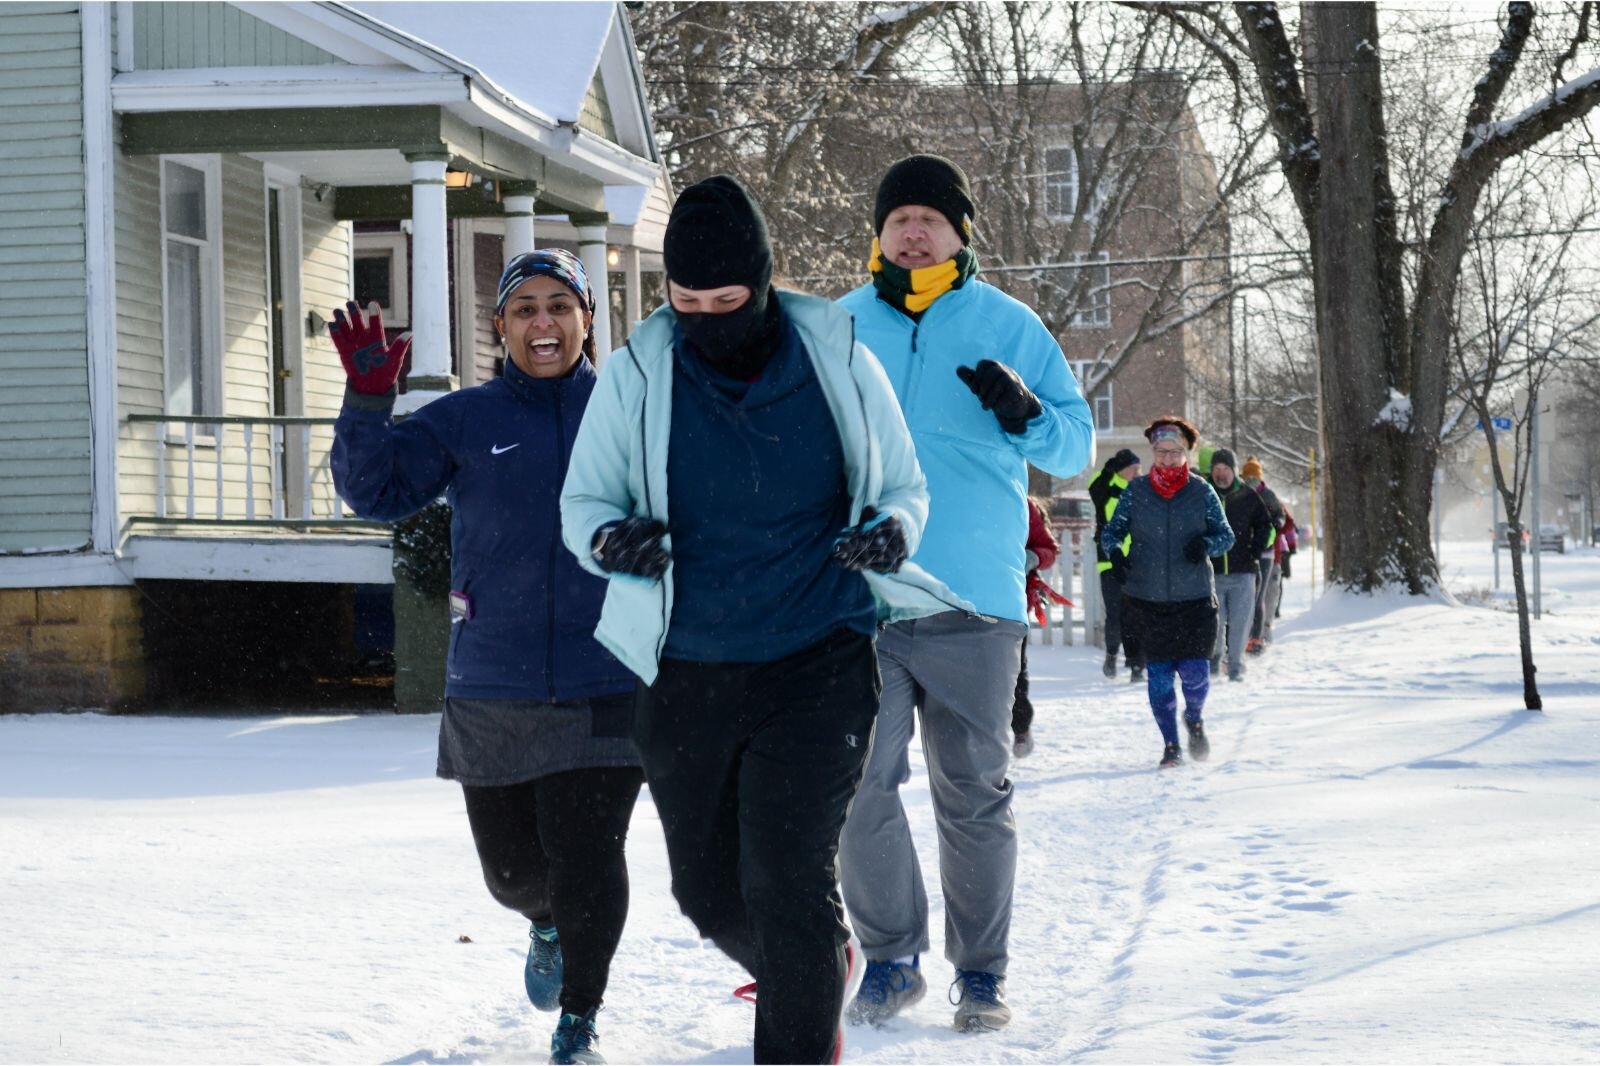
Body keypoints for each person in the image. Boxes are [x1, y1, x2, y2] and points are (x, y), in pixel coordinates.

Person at [559, 175, 963, 1065]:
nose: (705, 318)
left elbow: (903, 485)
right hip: (686, 666)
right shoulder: (637, 372)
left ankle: (804, 986)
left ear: (766, 283)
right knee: (707, 892)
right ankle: (822, 957)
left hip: (815, 660)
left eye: (728, 300)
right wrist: (608, 539)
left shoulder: (836, 358)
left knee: (788, 883)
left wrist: (892, 534)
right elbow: (584, 500)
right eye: (686, 300)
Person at [329, 250, 641, 1066]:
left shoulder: (633, 411)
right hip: (493, 679)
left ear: (586, 319)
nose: (544, 323)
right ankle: (544, 923)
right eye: (526, 309)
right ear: (499, 326)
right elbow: (377, 493)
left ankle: (580, 1018)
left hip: (608, 675)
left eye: (559, 306)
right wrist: (368, 403)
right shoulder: (465, 419)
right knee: (512, 874)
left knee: (588, 857)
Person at [835, 153, 1096, 1033]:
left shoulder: (1010, 325)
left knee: (972, 790)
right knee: (854, 785)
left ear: (959, 233)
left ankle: (981, 974)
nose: (914, 230)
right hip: (859, 596)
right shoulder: (835, 326)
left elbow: (1073, 448)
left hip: (974, 598)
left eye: (931, 219)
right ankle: (892, 956)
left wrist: (1025, 412)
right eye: (900, 217)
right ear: (879, 232)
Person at [1101, 417, 1234, 767]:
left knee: (1195, 675)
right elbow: (1111, 533)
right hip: (1147, 599)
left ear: (1186, 452)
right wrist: (1115, 553)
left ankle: (1194, 717)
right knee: (1159, 681)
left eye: (1175, 453)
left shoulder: (1202, 491)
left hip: (1194, 599)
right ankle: (1170, 744)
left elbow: (1226, 536)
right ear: (1152, 452)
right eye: (1161, 452)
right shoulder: (1136, 491)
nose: (1167, 459)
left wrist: (1205, 544)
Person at [1206, 448, 1272, 682]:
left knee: (1240, 622)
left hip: (1243, 572)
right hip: (1211, 572)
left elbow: (1266, 526)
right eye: (1217, 469)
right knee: (1214, 620)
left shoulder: (1248, 496)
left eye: (1225, 469)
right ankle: (1214, 659)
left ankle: (1235, 664)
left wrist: (1255, 550)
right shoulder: (1205, 494)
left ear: (1234, 471)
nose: (1221, 474)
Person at [1011, 496, 1061, 758]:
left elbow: (1049, 549)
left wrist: (1030, 557)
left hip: (1010, 603)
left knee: (1013, 670)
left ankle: (1020, 727)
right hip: (959, 601)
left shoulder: (1022, 503)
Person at [1089, 448, 1144, 681]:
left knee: (1137, 613)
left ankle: (1136, 664)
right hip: (1110, 561)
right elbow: (1094, 487)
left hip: (1137, 560)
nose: (1137, 472)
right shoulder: (1106, 489)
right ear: (1121, 470)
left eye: (1138, 468)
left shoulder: (1141, 491)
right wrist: (1108, 469)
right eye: (1132, 468)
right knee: (1115, 613)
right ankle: (1112, 654)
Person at [1240, 456, 1285, 654]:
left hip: (1265, 553)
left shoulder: (1268, 495)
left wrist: (1272, 528)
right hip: (1244, 550)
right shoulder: (1239, 494)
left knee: (1258, 595)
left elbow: (1280, 517)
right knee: (1245, 596)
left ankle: (1256, 638)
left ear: (1260, 478)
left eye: (1254, 478)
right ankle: (1243, 636)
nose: (1251, 482)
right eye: (1247, 478)